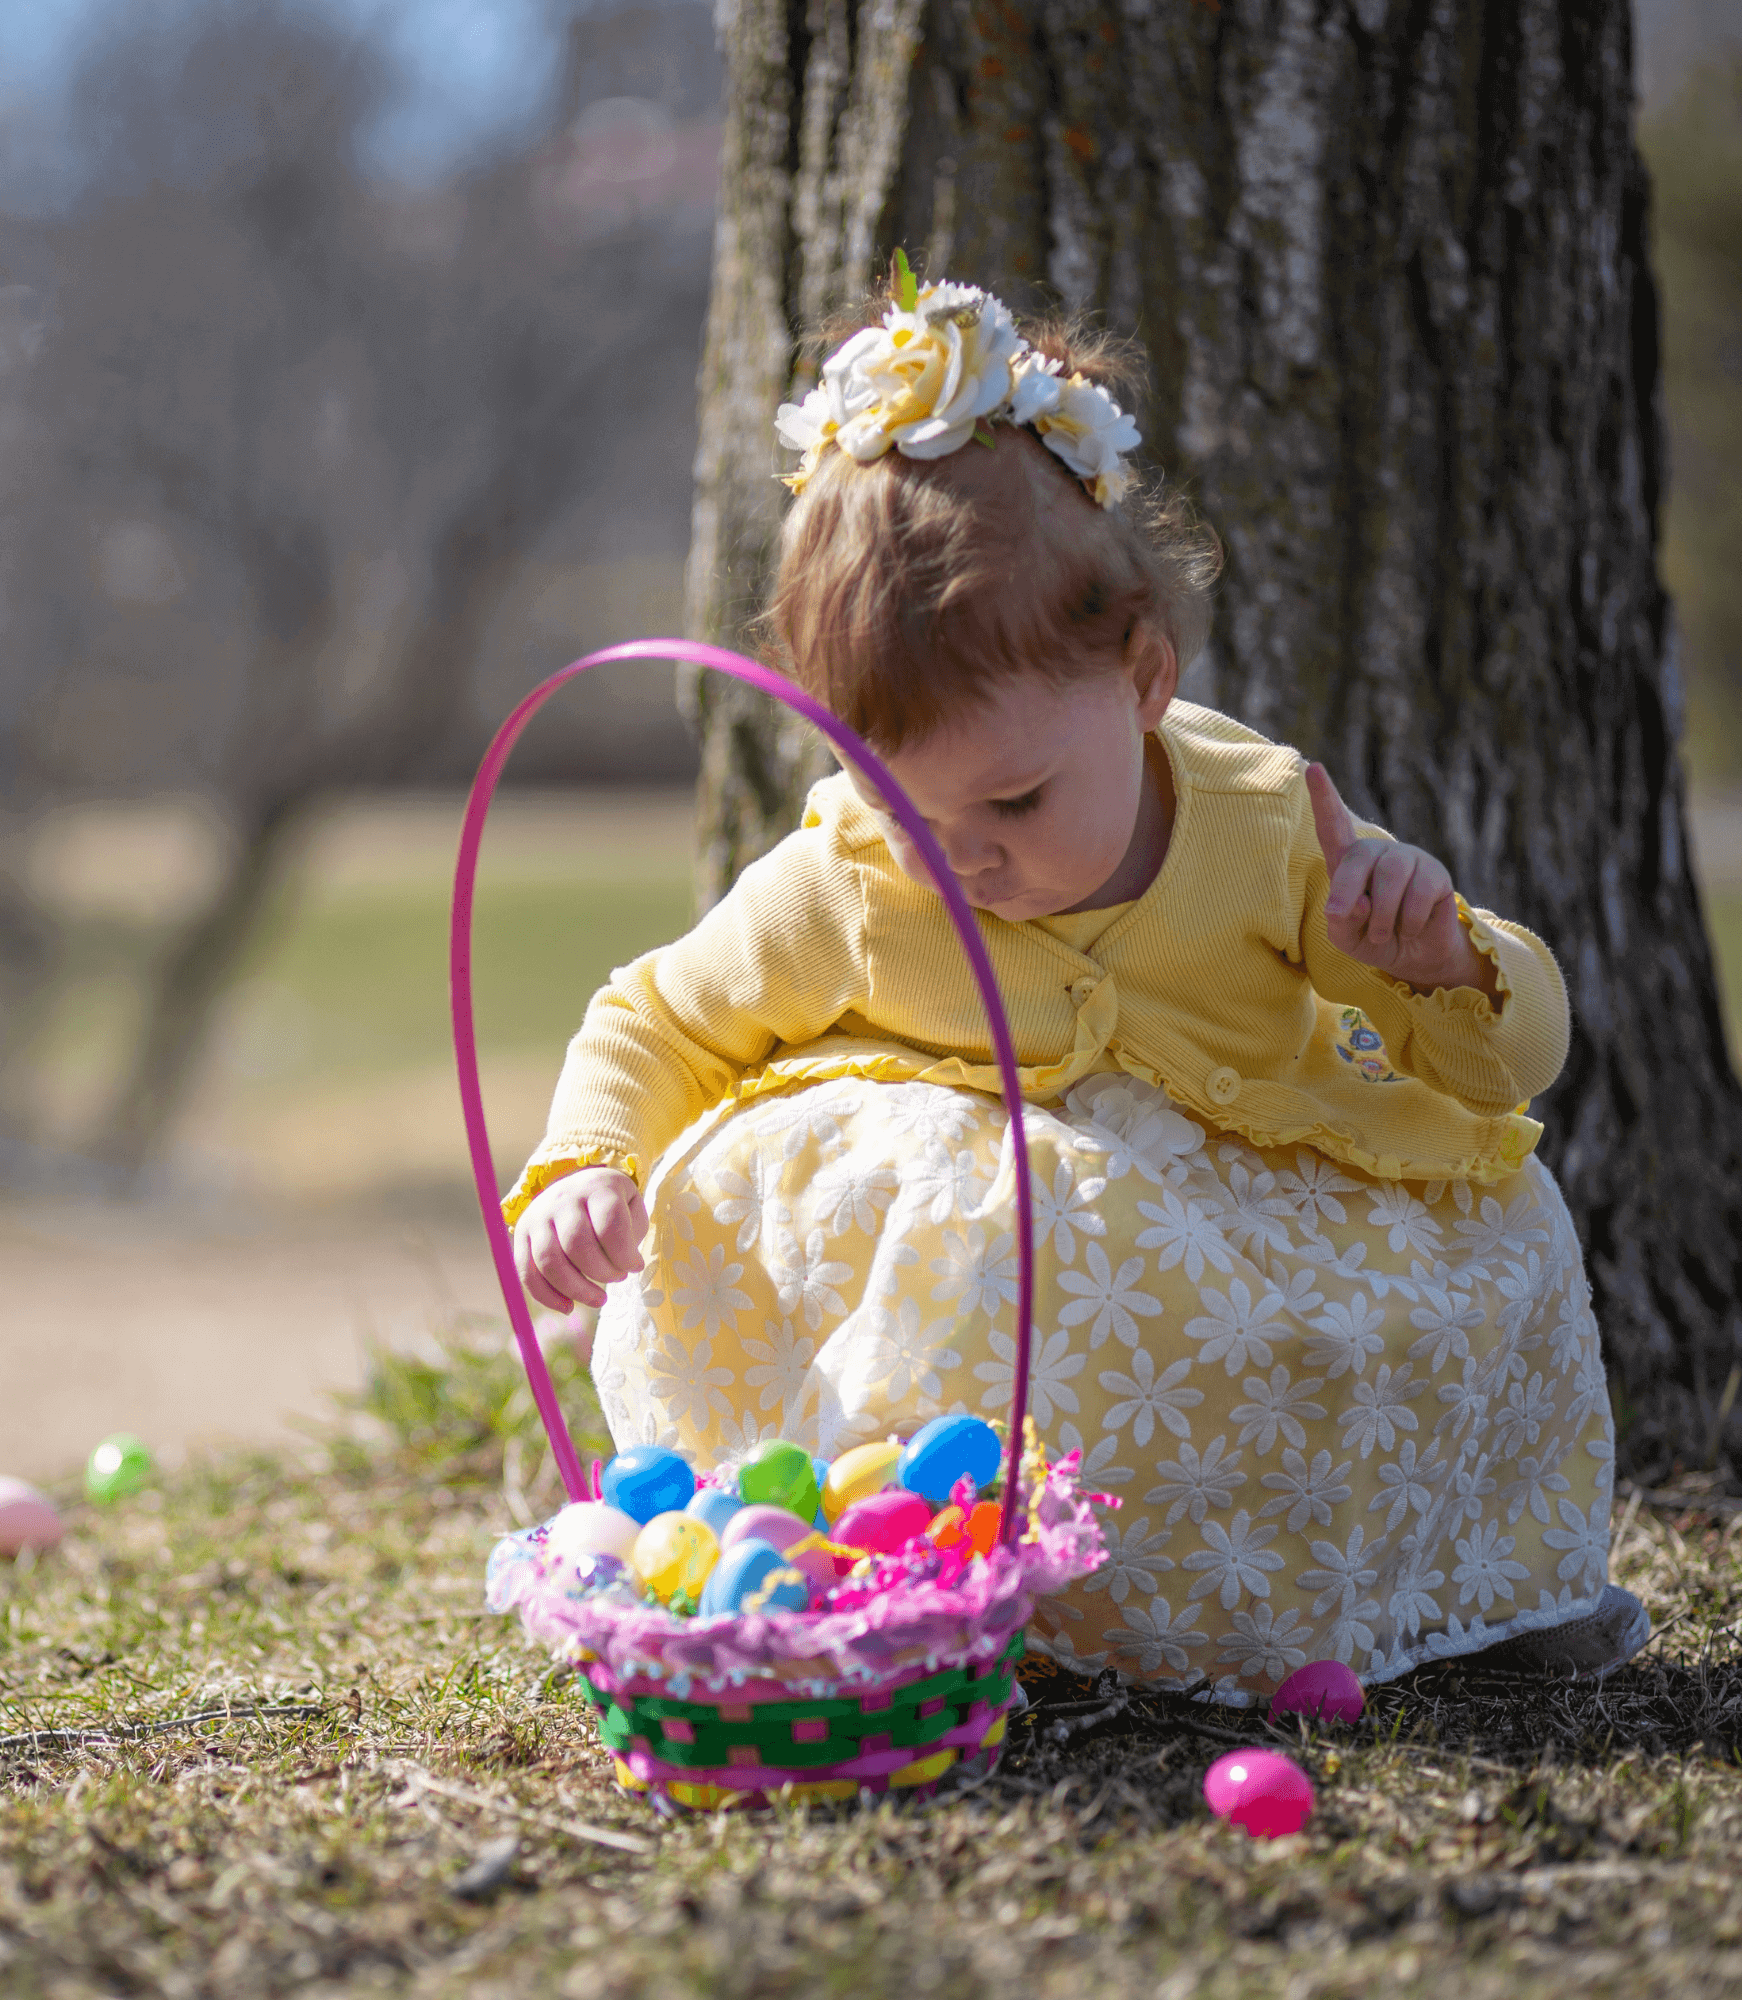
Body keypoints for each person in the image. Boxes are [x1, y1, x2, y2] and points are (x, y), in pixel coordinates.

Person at [504, 263, 1646, 1701]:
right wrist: (587, 1159)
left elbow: (1504, 1069)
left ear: (1145, 677)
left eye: (1018, 805)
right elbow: (660, 1014)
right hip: (1004, 1255)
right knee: (1013, 1239)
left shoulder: (1265, 824)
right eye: (910, 814)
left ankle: (1423, 1586)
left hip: (1234, 1220)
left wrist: (1440, 967)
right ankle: (943, 1587)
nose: (962, 862)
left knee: (1492, 1237)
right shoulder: (851, 881)